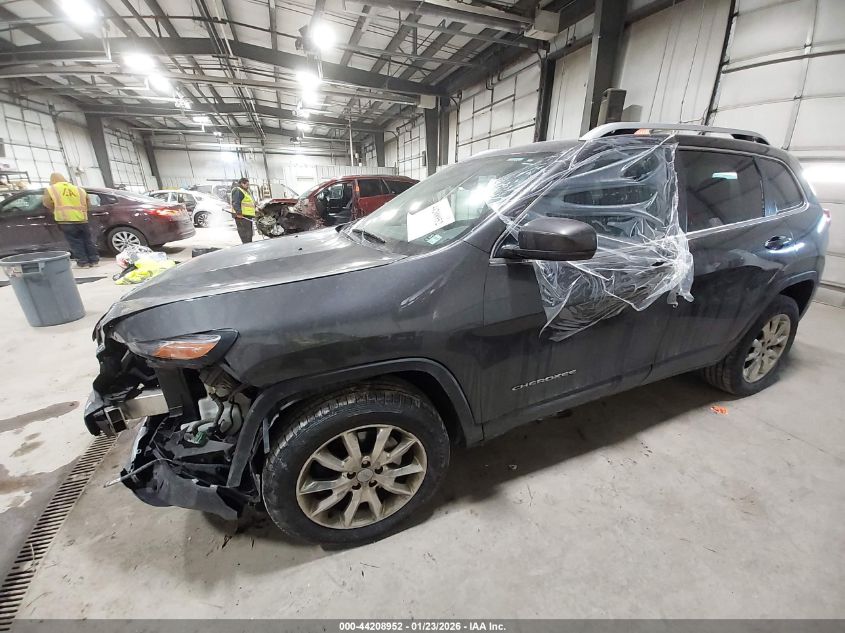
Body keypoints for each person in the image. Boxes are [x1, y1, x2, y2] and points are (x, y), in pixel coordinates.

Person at [42, 172, 99, 268]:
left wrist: (55, 209)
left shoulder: (51, 189)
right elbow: (88, 203)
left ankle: (83, 262)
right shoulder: (78, 189)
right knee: (87, 240)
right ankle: (94, 260)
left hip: (66, 220)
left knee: (75, 241)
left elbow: (47, 203)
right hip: (82, 219)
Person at [230, 177, 255, 243]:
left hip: (246, 216)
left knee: (249, 234)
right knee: (245, 235)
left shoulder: (244, 191)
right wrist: (239, 213)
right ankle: (247, 247)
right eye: (247, 185)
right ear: (242, 184)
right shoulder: (238, 190)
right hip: (242, 217)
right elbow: (236, 203)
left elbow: (248, 203)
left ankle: (248, 245)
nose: (248, 186)